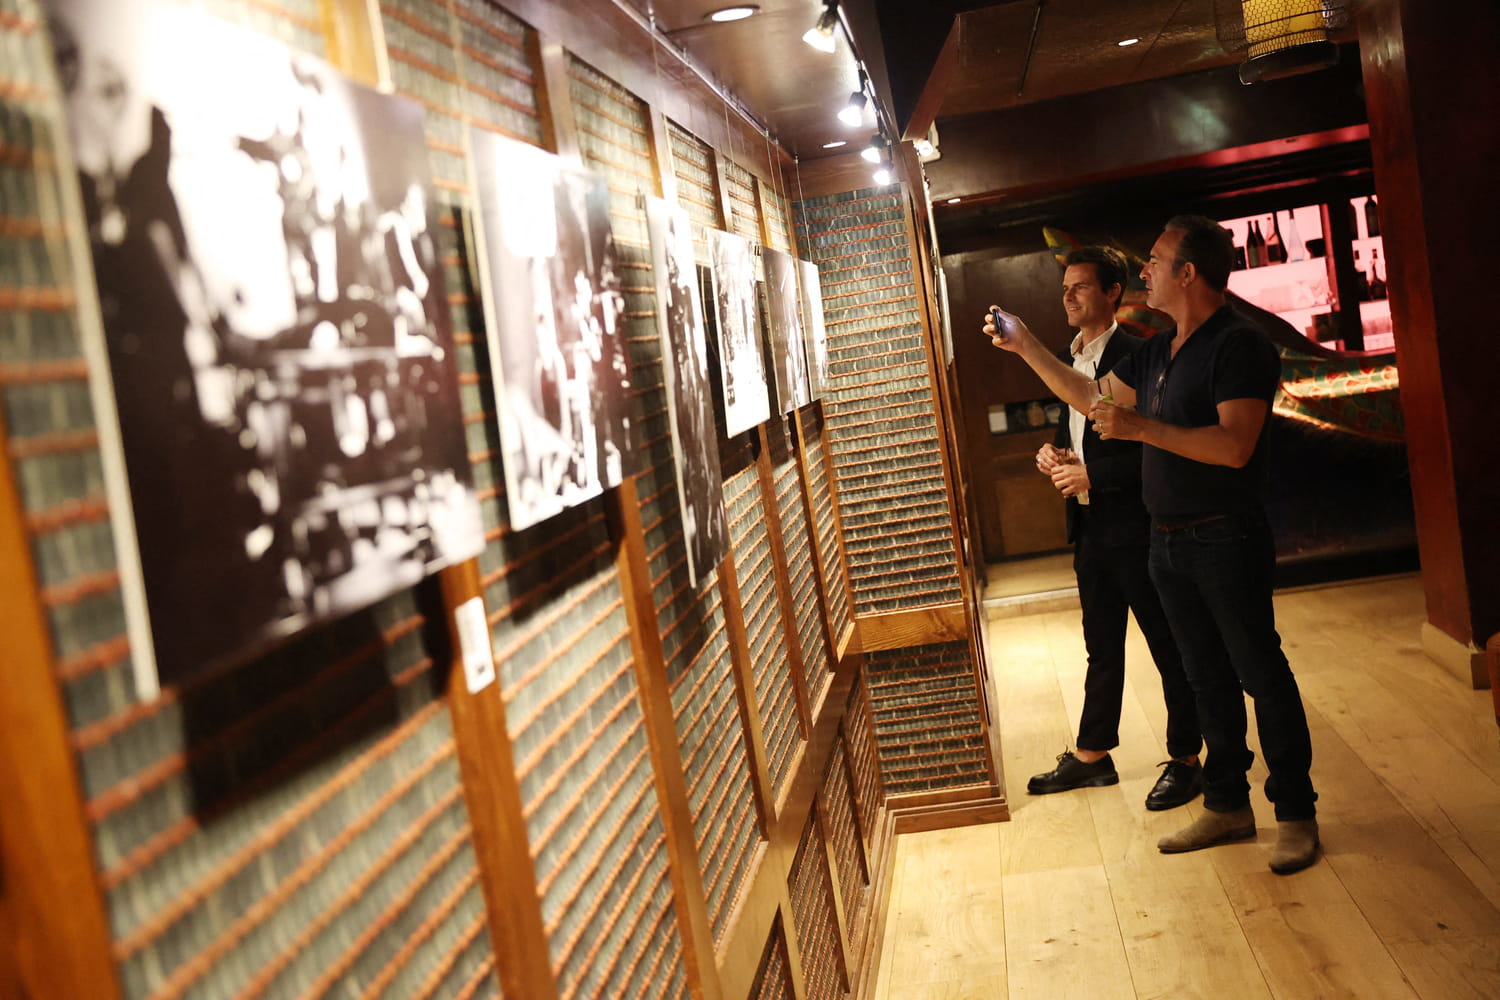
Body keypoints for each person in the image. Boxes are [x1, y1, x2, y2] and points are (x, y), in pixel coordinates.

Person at [982, 216, 1320, 875]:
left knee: (1260, 675)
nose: (1144, 270)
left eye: (1156, 260)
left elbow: (1234, 446)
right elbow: (1090, 397)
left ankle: (1296, 813)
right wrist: (1025, 347)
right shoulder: (1158, 349)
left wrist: (1141, 429)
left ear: (1188, 273)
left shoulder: (1239, 346)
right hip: (1165, 541)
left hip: (1225, 535)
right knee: (1204, 679)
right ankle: (1227, 804)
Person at [1022, 247, 1204, 813]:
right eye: (1065, 287)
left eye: (1080, 286)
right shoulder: (1066, 358)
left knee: (1168, 644)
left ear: (1113, 293)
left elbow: (1156, 442)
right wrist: (1056, 454)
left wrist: (1093, 475)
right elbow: (1079, 433)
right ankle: (1093, 754)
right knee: (1101, 647)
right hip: (1090, 526)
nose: (1068, 296)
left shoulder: (1140, 355)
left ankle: (1187, 759)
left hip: (1139, 524)